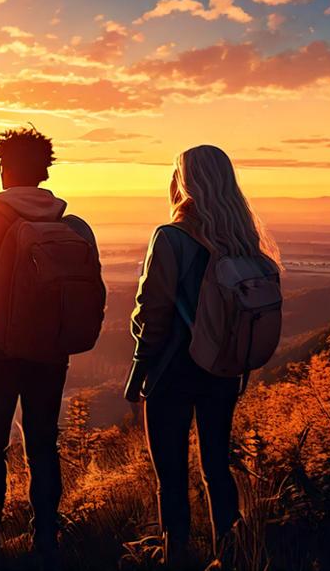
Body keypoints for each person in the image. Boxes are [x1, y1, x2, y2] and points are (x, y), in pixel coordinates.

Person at [124, 145, 282, 568]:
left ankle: (176, 554)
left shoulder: (171, 237)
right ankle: (230, 551)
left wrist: (143, 358)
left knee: (171, 472)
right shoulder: (243, 239)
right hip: (225, 367)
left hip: (172, 368)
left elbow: (152, 309)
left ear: (184, 181)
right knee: (216, 464)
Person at [0, 127, 98, 569]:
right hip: (51, 351)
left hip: (0, 348)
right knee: (43, 444)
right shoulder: (66, 222)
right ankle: (46, 536)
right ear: (44, 171)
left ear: (4, 169)